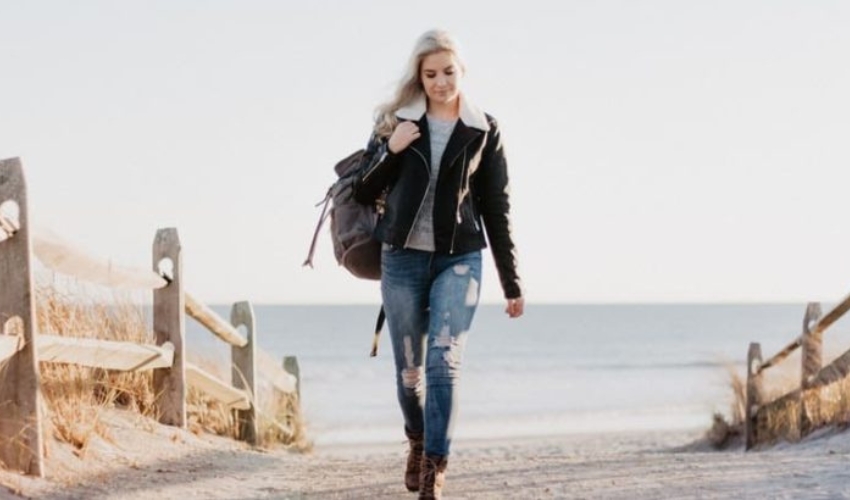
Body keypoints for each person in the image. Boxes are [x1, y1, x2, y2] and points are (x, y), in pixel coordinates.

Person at [353, 29, 524, 500]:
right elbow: (362, 191)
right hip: (402, 260)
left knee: (444, 363)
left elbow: (496, 206)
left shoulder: (484, 129)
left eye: (449, 71)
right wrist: (393, 150)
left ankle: (435, 471)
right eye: (431, 74)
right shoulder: (398, 122)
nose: (441, 82)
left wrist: (512, 283)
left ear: (462, 71)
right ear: (419, 77)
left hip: (460, 260)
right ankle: (417, 438)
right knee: (410, 376)